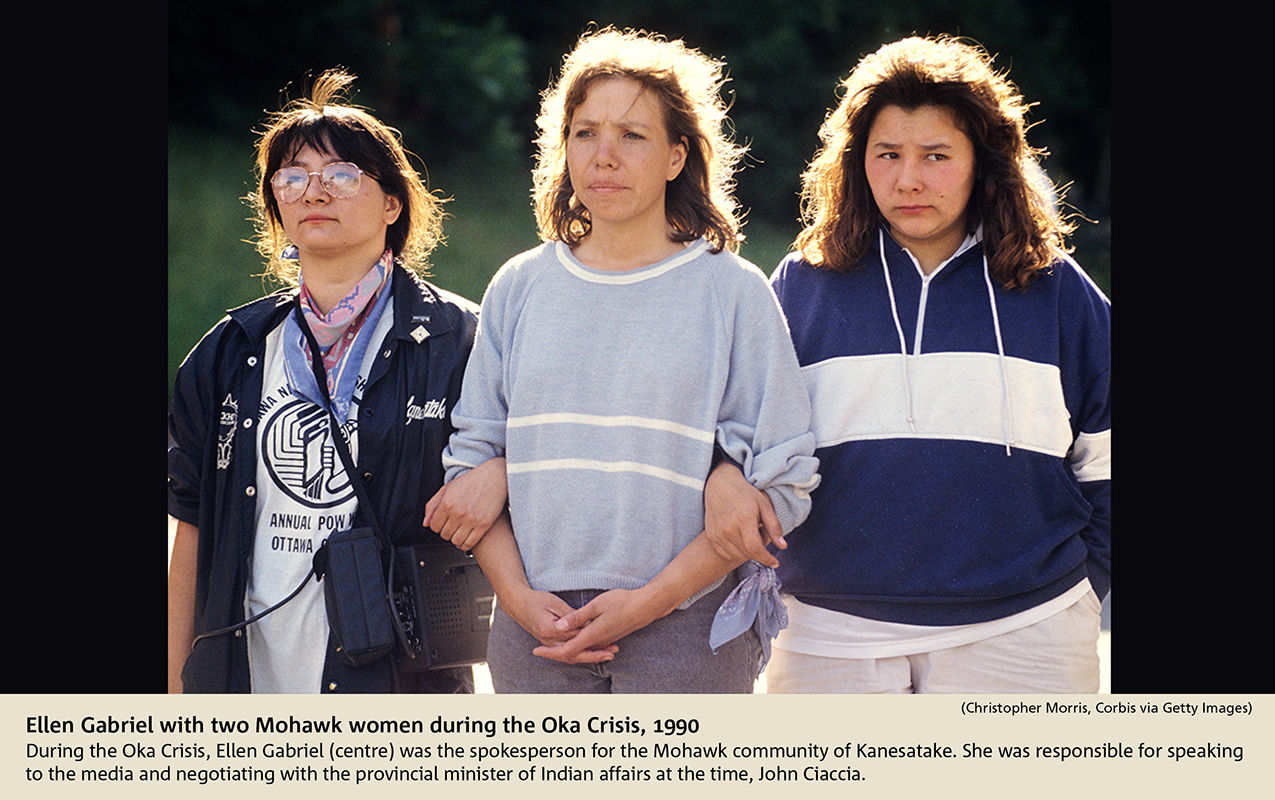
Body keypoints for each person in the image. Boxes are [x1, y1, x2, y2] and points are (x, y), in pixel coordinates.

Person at [426, 28, 819, 693]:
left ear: (675, 156)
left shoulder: (733, 292)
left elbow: (784, 479)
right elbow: (470, 463)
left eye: (632, 136)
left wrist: (651, 602)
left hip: (686, 632)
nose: (604, 156)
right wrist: (520, 602)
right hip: (535, 634)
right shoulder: (519, 286)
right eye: (584, 133)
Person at [744, 36, 1111, 693]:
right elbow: (748, 446)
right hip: (829, 638)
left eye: (936, 156)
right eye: (888, 155)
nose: (908, 179)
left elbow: (1111, 451)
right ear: (859, 164)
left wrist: (1089, 586)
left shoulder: (1055, 289)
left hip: (1027, 634)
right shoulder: (802, 286)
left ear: (983, 163)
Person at [167, 69, 479, 693]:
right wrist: (174, 690)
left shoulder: (458, 340)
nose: (314, 191)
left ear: (393, 203)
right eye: (292, 176)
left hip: (395, 684)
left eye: (341, 175)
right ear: (276, 205)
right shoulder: (231, 351)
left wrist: (496, 470)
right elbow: (191, 532)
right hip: (248, 674)